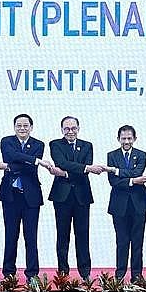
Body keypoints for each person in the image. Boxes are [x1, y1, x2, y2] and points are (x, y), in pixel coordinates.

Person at [0, 114, 53, 281]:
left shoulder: (38, 144)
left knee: (31, 237)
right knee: (10, 235)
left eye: (25, 126)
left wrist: (8, 167)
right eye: (19, 126)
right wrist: (35, 160)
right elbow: (11, 155)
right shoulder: (6, 141)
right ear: (14, 127)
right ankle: (8, 273)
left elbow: (26, 168)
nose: (22, 128)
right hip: (10, 196)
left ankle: (32, 274)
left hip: (31, 197)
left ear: (31, 127)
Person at [48, 116, 104, 280]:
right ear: (62, 130)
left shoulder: (87, 145)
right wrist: (84, 168)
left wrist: (65, 173)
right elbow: (61, 162)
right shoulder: (55, 144)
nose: (70, 131)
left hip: (82, 195)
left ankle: (85, 273)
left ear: (78, 129)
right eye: (67, 128)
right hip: (61, 196)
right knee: (62, 235)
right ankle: (63, 273)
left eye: (73, 128)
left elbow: (71, 167)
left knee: (82, 234)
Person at [106, 125, 146, 281]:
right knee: (122, 240)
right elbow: (113, 182)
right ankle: (119, 275)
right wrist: (133, 180)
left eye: (129, 138)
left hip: (139, 203)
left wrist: (117, 171)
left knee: (138, 241)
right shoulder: (111, 155)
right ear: (118, 138)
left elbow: (137, 173)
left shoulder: (141, 155)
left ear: (134, 139)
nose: (126, 141)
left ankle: (137, 276)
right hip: (119, 204)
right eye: (123, 138)